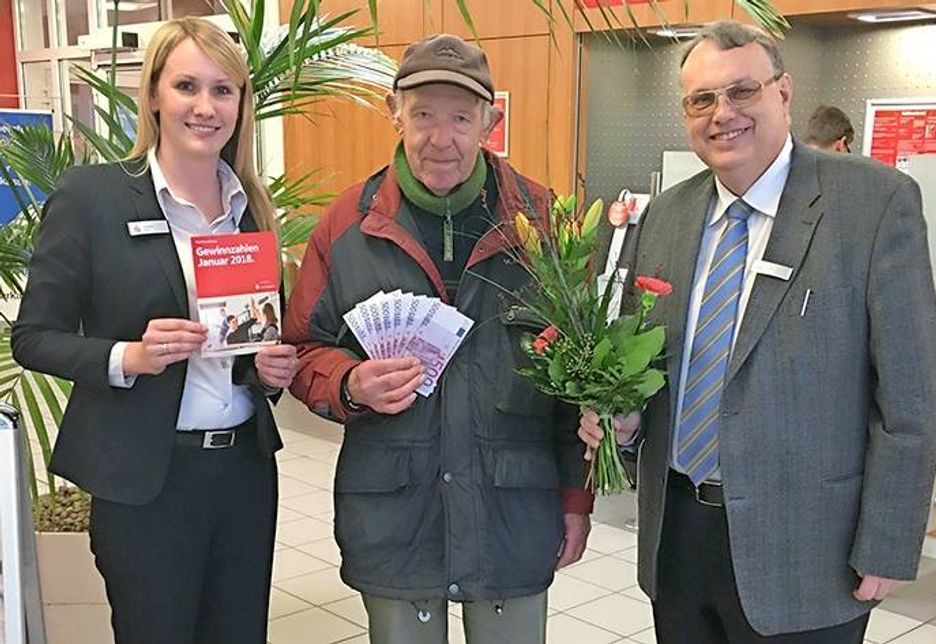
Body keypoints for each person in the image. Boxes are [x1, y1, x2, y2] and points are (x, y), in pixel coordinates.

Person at [578, 20, 936, 643]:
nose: (722, 114)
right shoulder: (665, 215)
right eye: (702, 100)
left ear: (783, 92)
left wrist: (887, 540)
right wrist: (625, 421)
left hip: (809, 550)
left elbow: (911, 397)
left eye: (741, 91)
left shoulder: (873, 204)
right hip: (680, 539)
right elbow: (657, 366)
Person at [283, 33, 593, 644]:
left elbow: (579, 376)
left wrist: (575, 501)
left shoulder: (543, 222)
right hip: (397, 513)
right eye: (422, 114)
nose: (440, 136)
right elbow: (301, 349)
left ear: (490, 121)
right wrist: (349, 382)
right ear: (395, 113)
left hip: (513, 511)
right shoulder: (349, 222)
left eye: (460, 117)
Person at [12, 18, 298, 644]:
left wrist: (270, 372)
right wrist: (130, 356)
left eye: (224, 90)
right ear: (154, 96)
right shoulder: (94, 197)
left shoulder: (249, 210)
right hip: (146, 481)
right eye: (187, 86)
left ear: (241, 105)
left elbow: (247, 350)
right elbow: (32, 337)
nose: (205, 106)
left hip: (244, 477)